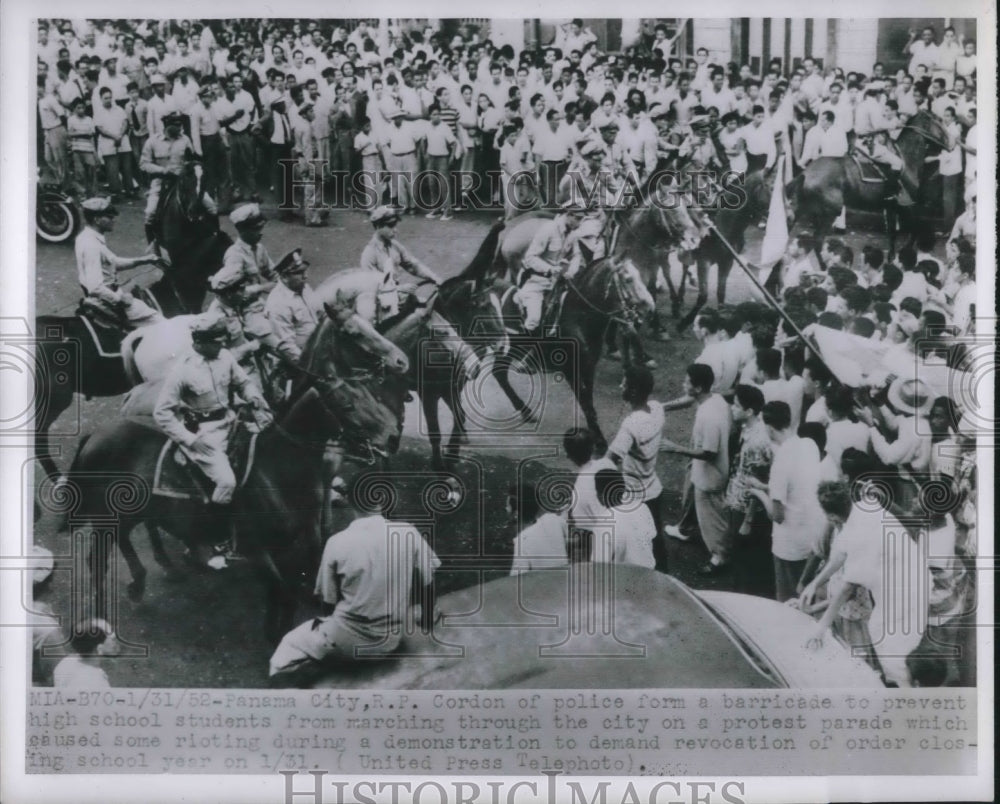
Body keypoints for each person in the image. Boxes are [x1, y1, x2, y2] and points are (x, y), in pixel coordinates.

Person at [269, 476, 440, 686]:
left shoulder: (337, 542)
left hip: (347, 643)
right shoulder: (408, 532)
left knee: (288, 645)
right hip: (391, 641)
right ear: (383, 500)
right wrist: (428, 618)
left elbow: (327, 602)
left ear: (349, 500)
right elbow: (429, 580)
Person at [153, 314, 272, 513]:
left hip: (231, 420)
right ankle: (218, 529)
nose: (223, 346)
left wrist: (252, 396)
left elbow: (243, 382)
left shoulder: (224, 356)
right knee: (227, 482)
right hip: (205, 434)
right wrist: (190, 440)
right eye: (217, 342)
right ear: (200, 342)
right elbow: (162, 413)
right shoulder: (182, 371)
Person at [748, 400, 825, 602]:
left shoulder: (780, 463)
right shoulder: (809, 445)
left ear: (768, 427)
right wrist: (767, 488)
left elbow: (777, 515)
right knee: (806, 596)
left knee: (787, 600)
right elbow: (799, 487)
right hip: (812, 535)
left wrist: (759, 494)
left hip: (790, 545)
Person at [660, 363, 732, 575]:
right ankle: (690, 531)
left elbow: (709, 452)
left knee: (712, 520)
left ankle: (719, 556)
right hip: (709, 471)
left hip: (710, 476)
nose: (683, 384)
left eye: (687, 381)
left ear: (698, 388)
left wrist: (676, 448)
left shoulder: (707, 415)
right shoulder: (717, 400)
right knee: (705, 511)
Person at [606, 366, 668, 571]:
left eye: (624, 383)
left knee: (637, 547)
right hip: (653, 487)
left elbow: (609, 460)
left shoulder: (630, 425)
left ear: (632, 392)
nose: (620, 386)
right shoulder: (657, 408)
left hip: (633, 495)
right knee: (656, 538)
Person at [75, 197, 164, 328]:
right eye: (110, 217)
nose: (114, 220)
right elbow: (94, 287)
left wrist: (143, 260)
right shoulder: (91, 245)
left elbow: (112, 263)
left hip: (106, 294)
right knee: (161, 323)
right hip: (106, 300)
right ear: (97, 220)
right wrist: (121, 300)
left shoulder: (87, 237)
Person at [518, 199, 587, 336]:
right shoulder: (548, 229)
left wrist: (571, 271)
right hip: (536, 282)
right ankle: (522, 348)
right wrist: (549, 269)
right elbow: (530, 257)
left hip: (557, 285)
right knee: (534, 319)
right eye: (578, 219)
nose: (580, 224)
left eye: (582, 219)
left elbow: (576, 255)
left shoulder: (572, 233)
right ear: (569, 214)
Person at [138, 110, 197, 246]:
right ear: (166, 125)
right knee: (150, 212)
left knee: (209, 204)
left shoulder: (185, 139)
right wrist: (163, 170)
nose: (179, 129)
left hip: (183, 181)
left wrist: (189, 167)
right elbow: (144, 164)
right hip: (161, 182)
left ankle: (214, 236)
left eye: (180, 125)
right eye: (176, 126)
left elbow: (191, 159)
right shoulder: (152, 141)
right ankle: (153, 246)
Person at [590, 468, 657, 569]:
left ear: (601, 496)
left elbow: (599, 567)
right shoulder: (643, 507)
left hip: (626, 580)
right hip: (650, 572)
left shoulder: (603, 524)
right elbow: (651, 538)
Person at [264, 248, 323, 363]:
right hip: (300, 358)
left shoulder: (303, 287)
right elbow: (287, 346)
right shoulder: (278, 303)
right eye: (299, 273)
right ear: (285, 277)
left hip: (319, 347)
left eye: (305, 271)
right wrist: (310, 364)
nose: (305, 277)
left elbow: (319, 312)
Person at [508, 482, 570, 574]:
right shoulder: (552, 520)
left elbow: (516, 580)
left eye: (508, 506)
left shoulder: (521, 542)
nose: (506, 508)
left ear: (516, 514)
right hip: (565, 577)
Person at [53, 618, 118, 688]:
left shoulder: (65, 663)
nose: (115, 643)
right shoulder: (97, 682)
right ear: (99, 648)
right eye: (112, 639)